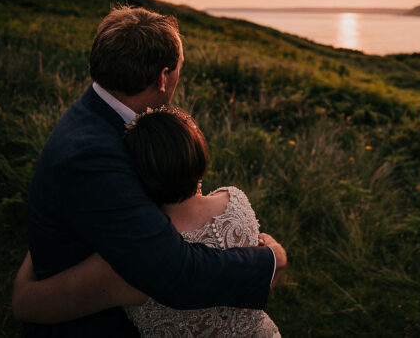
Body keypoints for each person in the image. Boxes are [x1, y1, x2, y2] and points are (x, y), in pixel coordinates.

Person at [17, 6, 286, 336]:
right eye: (177, 72)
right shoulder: (93, 156)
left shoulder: (96, 112)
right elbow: (173, 272)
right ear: (162, 77)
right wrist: (269, 260)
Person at [14, 106, 282, 337]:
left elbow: (24, 303)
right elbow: (264, 268)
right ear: (197, 153)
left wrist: (48, 231)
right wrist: (276, 255)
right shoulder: (235, 201)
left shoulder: (130, 261)